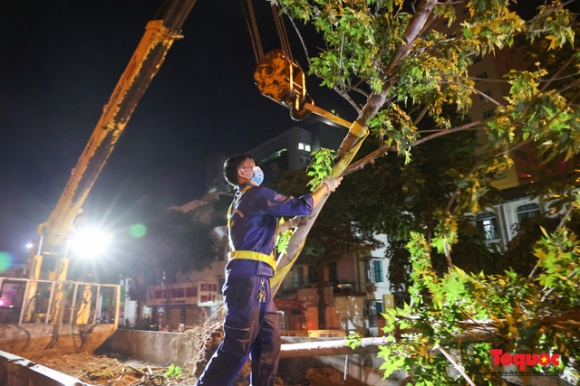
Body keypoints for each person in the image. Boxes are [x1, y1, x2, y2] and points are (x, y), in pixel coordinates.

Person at [195, 154, 342, 386]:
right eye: (251, 166)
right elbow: (302, 205)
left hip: (258, 277)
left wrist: (290, 225)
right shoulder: (256, 194)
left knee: (268, 345)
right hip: (248, 276)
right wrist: (326, 186)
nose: (256, 168)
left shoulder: (242, 201)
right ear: (242, 173)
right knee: (238, 344)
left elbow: (257, 231)